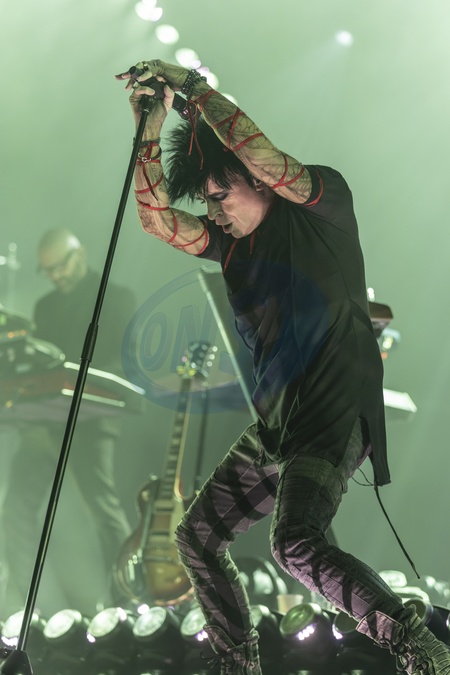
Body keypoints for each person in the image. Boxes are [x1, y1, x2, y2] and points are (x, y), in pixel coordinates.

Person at [115, 60, 450, 674]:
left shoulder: (323, 206)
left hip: (334, 410)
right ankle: (237, 662)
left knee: (294, 542)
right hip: (279, 424)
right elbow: (156, 219)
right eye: (207, 201)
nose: (214, 211)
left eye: (221, 196)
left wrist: (192, 90)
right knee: (195, 537)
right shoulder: (231, 245)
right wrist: (152, 126)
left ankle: (418, 647)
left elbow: (266, 157)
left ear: (259, 185)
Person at [1, 228, 133, 615]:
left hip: (91, 420)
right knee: (16, 510)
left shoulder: (115, 297)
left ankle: (126, 604)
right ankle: (33, 613)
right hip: (45, 422)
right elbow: (39, 365)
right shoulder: (44, 307)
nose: (55, 275)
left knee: (102, 509)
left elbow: (122, 365)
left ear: (81, 254)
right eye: (48, 270)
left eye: (60, 266)